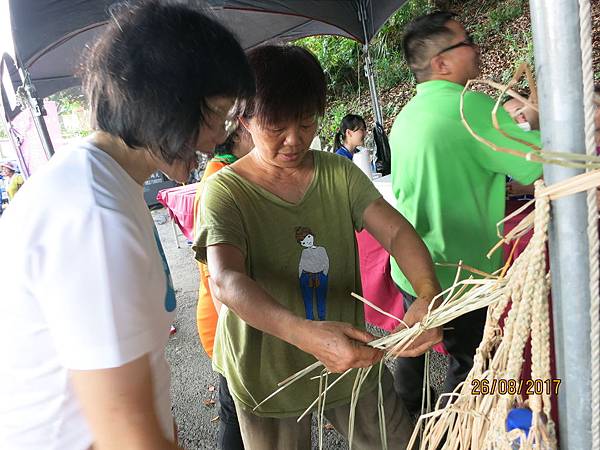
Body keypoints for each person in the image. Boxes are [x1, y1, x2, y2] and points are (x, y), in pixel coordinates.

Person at [0, 3, 254, 449]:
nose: (219, 135)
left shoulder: (98, 182)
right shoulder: (93, 215)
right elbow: (125, 435)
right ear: (165, 101)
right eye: (216, 113)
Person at [194, 44, 443, 450]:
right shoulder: (226, 190)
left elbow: (396, 233)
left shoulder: (337, 173)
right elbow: (226, 279)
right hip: (267, 372)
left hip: (351, 358)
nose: (295, 139)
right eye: (277, 126)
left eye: (307, 122)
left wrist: (428, 294)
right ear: (244, 119)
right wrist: (306, 335)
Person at [389, 11, 543, 416]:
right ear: (441, 62)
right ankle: (448, 431)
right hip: (459, 273)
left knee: (414, 347)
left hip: (412, 264)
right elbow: (540, 162)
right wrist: (539, 117)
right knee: (472, 365)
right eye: (465, 41)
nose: (474, 47)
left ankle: (403, 423)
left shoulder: (405, 116)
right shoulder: (468, 107)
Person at [193, 126, 253, 450]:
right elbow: (217, 279)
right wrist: (235, 340)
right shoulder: (219, 180)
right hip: (225, 321)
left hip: (235, 316)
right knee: (236, 411)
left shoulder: (229, 170)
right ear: (242, 129)